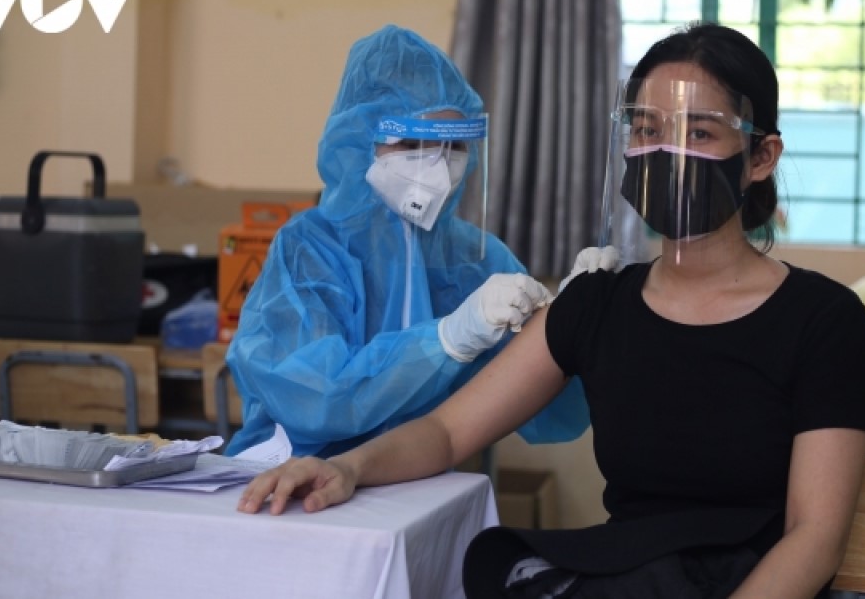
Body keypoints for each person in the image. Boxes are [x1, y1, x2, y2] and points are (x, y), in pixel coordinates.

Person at [236, 22, 865, 599]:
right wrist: (346, 467)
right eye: (646, 130)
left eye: (699, 132)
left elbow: (814, 538)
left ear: (761, 157)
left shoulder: (824, 319)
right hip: (632, 575)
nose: (664, 152)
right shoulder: (598, 302)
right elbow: (448, 433)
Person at [225, 25, 610, 458]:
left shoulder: (478, 260)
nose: (438, 168)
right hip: (293, 477)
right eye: (412, 143)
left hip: (415, 478)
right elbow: (313, 398)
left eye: (454, 146)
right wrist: (448, 339)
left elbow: (550, 415)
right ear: (360, 142)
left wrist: (569, 325)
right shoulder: (310, 250)